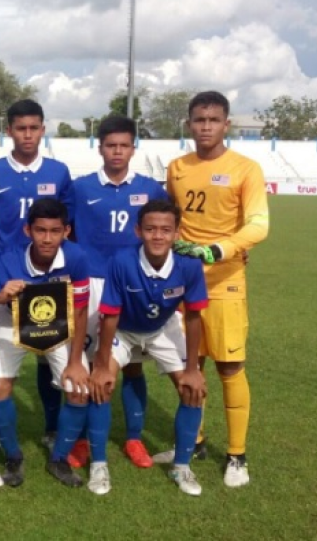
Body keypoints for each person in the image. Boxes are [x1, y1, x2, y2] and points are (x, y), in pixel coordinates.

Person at [158, 90, 270, 487]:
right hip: (184, 284)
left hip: (225, 283)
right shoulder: (177, 167)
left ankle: (237, 455)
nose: (206, 127)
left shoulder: (246, 169)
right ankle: (196, 441)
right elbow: (169, 219)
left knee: (230, 367)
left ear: (227, 124)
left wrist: (220, 250)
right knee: (191, 366)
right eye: (199, 120)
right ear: (189, 124)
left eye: (214, 120)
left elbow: (259, 224)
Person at [88, 199, 208, 496]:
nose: (158, 236)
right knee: (101, 385)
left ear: (177, 233)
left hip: (163, 328)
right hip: (124, 329)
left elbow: (194, 316)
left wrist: (192, 369)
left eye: (166, 230)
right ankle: (98, 464)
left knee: (192, 389)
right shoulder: (121, 261)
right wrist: (101, 366)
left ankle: (181, 467)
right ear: (138, 231)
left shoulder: (190, 264)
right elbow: (110, 315)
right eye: (150, 229)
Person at [0, 198, 90, 488]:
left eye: (55, 231)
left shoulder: (75, 257)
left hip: (58, 324)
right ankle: (13, 456)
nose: (47, 239)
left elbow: (80, 310)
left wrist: (75, 361)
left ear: (66, 231)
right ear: (28, 231)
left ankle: (59, 458)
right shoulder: (8, 260)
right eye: (40, 230)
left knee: (79, 389)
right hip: (14, 323)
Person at [72, 114, 169, 469]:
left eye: (123, 145)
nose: (117, 151)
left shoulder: (151, 189)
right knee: (87, 363)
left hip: (135, 284)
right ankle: (82, 439)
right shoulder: (80, 188)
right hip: (92, 283)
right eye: (110, 145)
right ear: (100, 148)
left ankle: (133, 438)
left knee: (133, 366)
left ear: (133, 148)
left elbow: (168, 230)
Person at [0, 99, 74, 452]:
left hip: (49, 279)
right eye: (21, 128)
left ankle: (52, 428)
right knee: (0, 361)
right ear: (9, 131)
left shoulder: (58, 171)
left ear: (43, 130)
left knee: (49, 355)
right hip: (9, 278)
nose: (28, 134)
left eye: (34, 128)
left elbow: (69, 225)